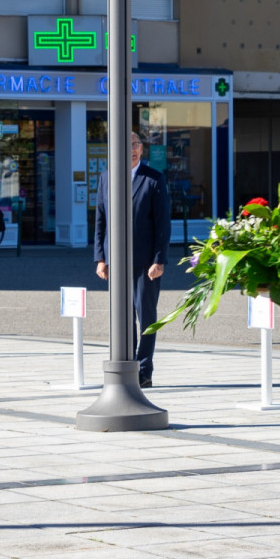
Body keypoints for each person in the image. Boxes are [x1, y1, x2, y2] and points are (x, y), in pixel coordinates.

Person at [93, 130, 171, 388]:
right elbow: (100, 221)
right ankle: (127, 365)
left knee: (146, 317)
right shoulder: (106, 178)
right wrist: (100, 258)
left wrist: (159, 260)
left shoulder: (154, 180)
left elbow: (162, 225)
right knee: (122, 317)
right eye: (127, 146)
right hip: (116, 262)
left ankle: (144, 370)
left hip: (145, 262)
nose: (133, 150)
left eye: (136, 145)